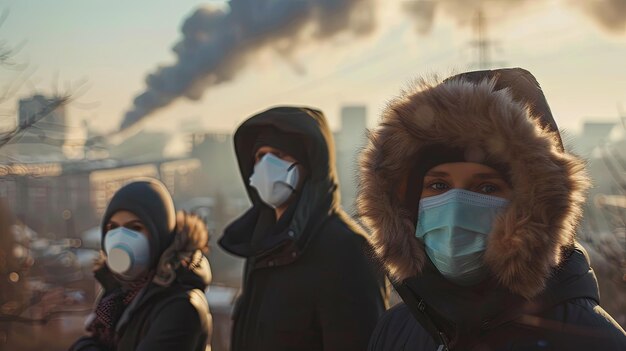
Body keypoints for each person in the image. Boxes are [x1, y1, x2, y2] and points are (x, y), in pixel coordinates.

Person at [357, 68, 626, 350]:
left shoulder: (594, 342)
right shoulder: (397, 330)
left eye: (486, 187)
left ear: (532, 206)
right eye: (438, 185)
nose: (455, 207)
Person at [219, 106, 387, 351]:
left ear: (309, 164)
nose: (266, 165)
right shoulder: (262, 244)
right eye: (259, 156)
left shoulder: (346, 249)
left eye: (279, 154)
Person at [69, 179, 212, 351]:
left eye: (135, 227)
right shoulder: (119, 295)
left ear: (160, 234)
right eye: (112, 227)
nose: (120, 237)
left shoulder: (182, 307)